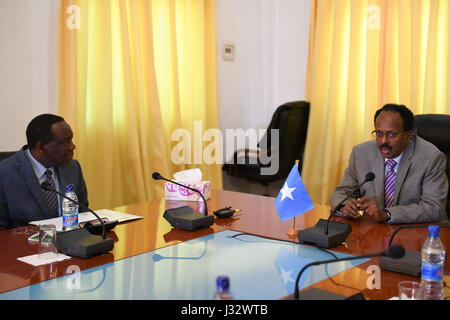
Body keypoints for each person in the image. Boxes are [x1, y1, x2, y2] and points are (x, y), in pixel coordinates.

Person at [330, 104, 448, 224]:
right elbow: (341, 193)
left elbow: (434, 208)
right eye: (379, 133)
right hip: (376, 232)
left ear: (408, 135)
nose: (383, 141)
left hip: (417, 232)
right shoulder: (361, 153)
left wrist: (387, 214)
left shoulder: (431, 158)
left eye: (392, 134)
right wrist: (345, 206)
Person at [0, 114, 88, 229]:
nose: (72, 146)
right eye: (65, 143)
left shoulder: (73, 167)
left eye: (71, 140)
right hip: (24, 245)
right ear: (41, 147)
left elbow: (83, 214)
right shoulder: (4, 174)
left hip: (70, 244)